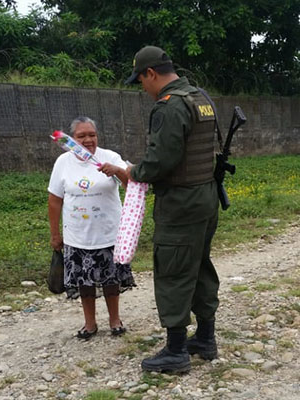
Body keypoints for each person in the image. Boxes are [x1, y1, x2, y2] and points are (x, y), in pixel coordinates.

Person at [124, 46, 221, 373]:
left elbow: (160, 162)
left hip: (180, 204)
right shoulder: (200, 98)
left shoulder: (170, 106)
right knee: (200, 265)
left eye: (141, 81)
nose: (143, 88)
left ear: (151, 73)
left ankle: (176, 351)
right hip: (205, 196)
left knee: (174, 270)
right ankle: (205, 338)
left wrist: (132, 172)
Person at [48, 116, 136, 340]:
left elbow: (131, 184)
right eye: (81, 136)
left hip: (109, 233)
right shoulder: (63, 162)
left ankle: (115, 320)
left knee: (111, 280)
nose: (88, 140)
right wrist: (55, 234)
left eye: (92, 135)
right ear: (72, 139)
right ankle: (90, 324)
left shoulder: (110, 157)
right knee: (84, 282)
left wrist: (117, 171)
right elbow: (55, 200)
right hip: (77, 235)